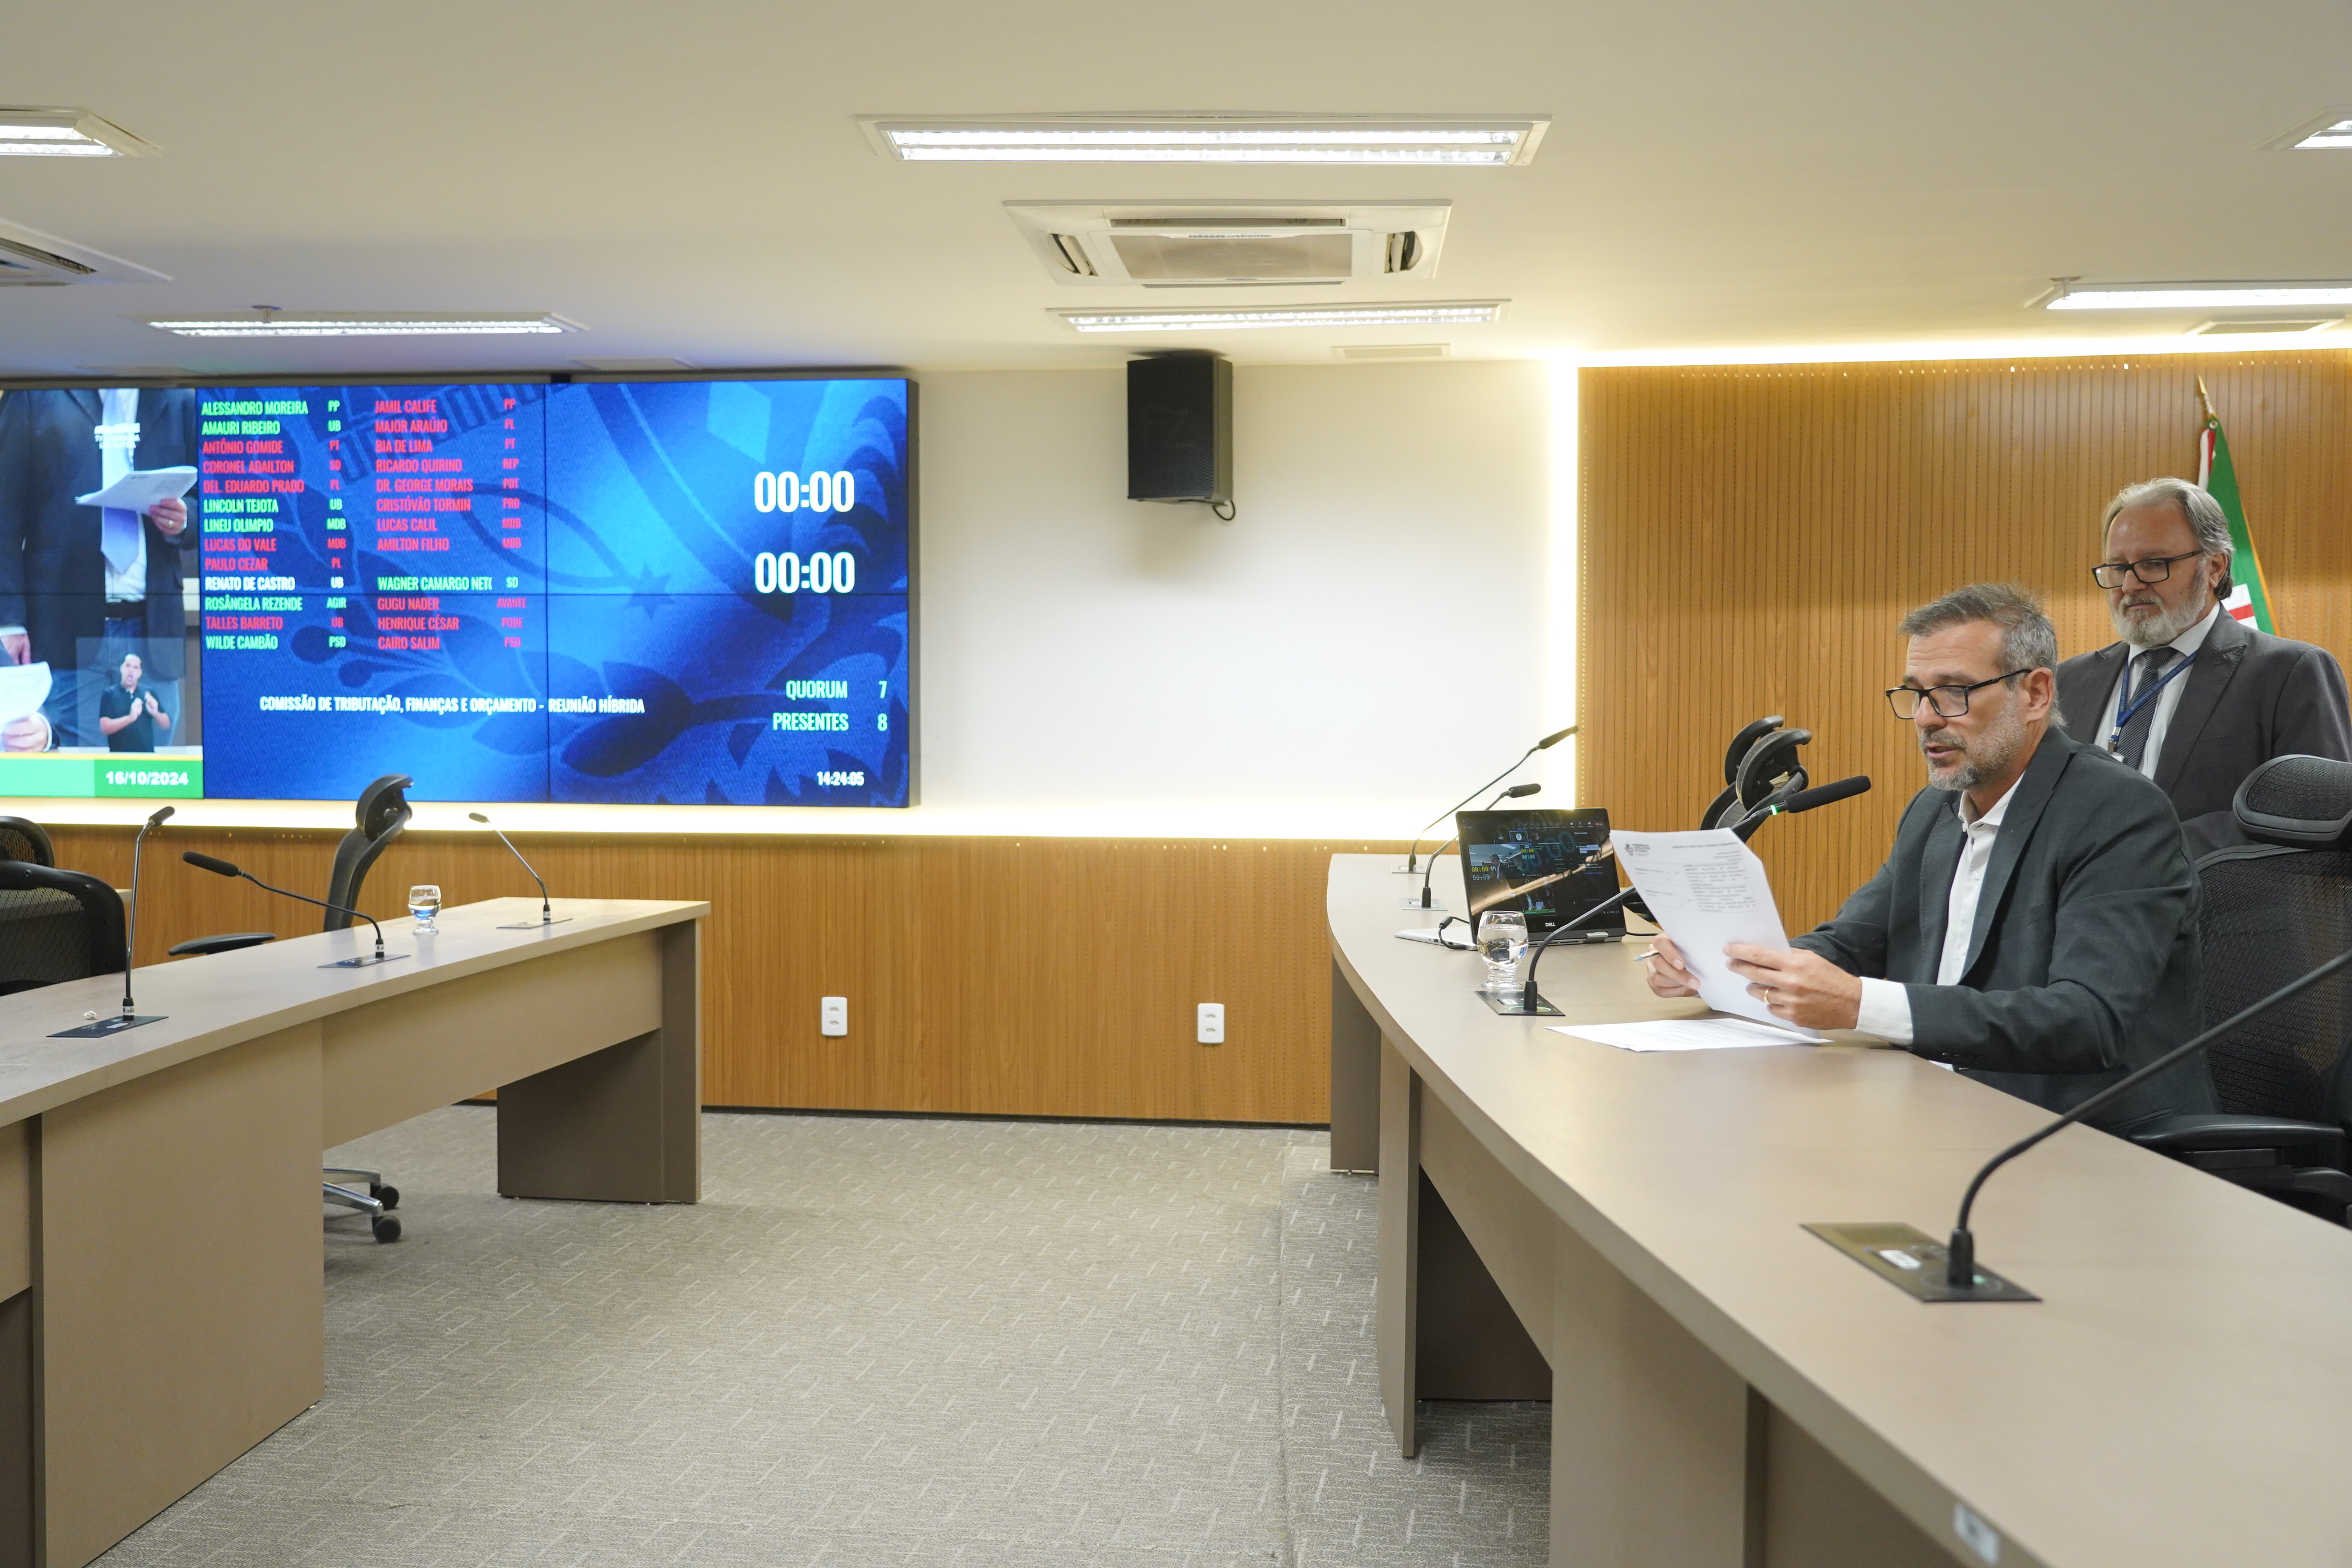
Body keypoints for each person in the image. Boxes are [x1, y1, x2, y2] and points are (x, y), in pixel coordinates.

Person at [1644, 583, 2212, 1132]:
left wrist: (1858, 1004)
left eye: (1953, 692)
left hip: (2079, 1138)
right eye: (1916, 694)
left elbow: (2088, 1020)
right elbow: (1849, 944)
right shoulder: (1934, 811)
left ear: (2036, 694)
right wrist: (1721, 968)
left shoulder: (2116, 811)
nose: (1925, 718)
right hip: (1935, 1109)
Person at [2056, 476, 2351, 856]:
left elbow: (2316, 815)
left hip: (2213, 893)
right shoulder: (2069, 680)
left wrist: (2150, 854)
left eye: (2153, 564)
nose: (2129, 586)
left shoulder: (2289, 672)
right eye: (2117, 568)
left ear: (2213, 567)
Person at [0, 386, 200, 749]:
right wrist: (9, 620)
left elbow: (216, 504)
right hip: (62, 628)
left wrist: (186, 519)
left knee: (151, 771)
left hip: (152, 629)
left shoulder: (178, 398)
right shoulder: (36, 393)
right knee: (64, 765)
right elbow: (4, 514)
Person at [96, 652, 170, 753]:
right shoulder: (110, 694)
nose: (131, 670)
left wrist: (155, 713)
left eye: (136, 668)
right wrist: (130, 718)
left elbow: (166, 724)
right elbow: (105, 728)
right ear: (121, 668)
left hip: (146, 758)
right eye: (128, 666)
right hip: (119, 759)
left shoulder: (148, 693)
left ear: (140, 673)